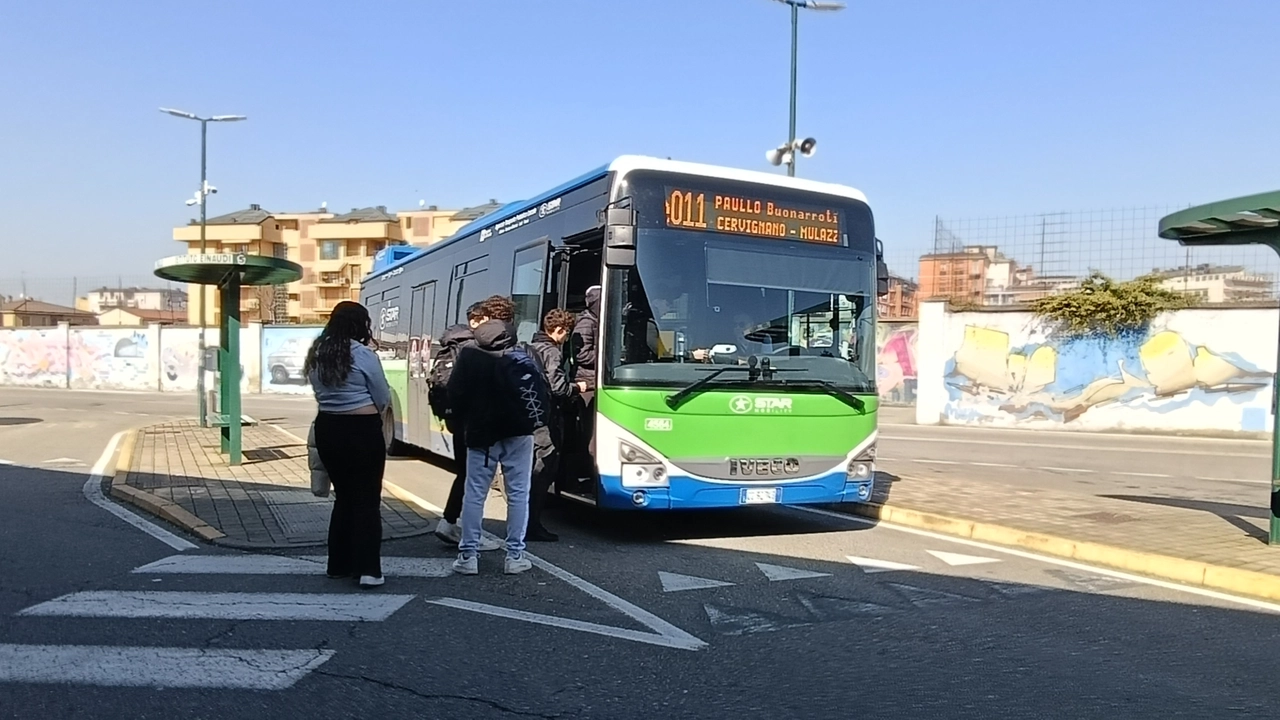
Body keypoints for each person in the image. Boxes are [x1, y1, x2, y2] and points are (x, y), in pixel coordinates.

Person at [448, 296, 549, 575]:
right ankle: (514, 555)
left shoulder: (469, 353)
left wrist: (464, 420)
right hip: (519, 432)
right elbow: (543, 391)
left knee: (474, 494)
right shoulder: (525, 351)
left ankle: (468, 557)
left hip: (481, 434)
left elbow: (454, 394)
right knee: (518, 494)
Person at [304, 301, 391, 589]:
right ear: (360, 325)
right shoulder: (362, 353)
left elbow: (318, 391)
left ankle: (338, 564)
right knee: (366, 499)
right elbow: (381, 394)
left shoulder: (318, 352)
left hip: (329, 428)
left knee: (343, 498)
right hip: (362, 430)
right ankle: (368, 570)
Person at [429, 301, 501, 552]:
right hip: (473, 420)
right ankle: (468, 532)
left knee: (466, 472)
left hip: (456, 419)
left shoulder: (452, 344)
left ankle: (450, 522)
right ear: (477, 321)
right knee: (475, 477)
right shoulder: (473, 348)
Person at [523, 308, 576, 542]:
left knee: (532, 469)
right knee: (544, 469)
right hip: (547, 419)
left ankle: (525, 521)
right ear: (558, 330)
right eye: (566, 333)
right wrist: (577, 388)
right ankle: (532, 525)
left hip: (532, 416)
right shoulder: (552, 352)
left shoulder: (532, 347)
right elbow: (558, 388)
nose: (566, 338)